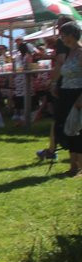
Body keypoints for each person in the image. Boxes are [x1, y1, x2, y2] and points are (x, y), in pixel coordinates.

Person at [50, 21, 82, 176]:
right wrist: (55, 84)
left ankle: (78, 167)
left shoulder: (81, 52)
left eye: (64, 35)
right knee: (66, 130)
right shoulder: (70, 53)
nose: (62, 38)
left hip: (77, 95)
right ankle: (73, 166)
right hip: (66, 94)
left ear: (72, 35)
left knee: (77, 131)